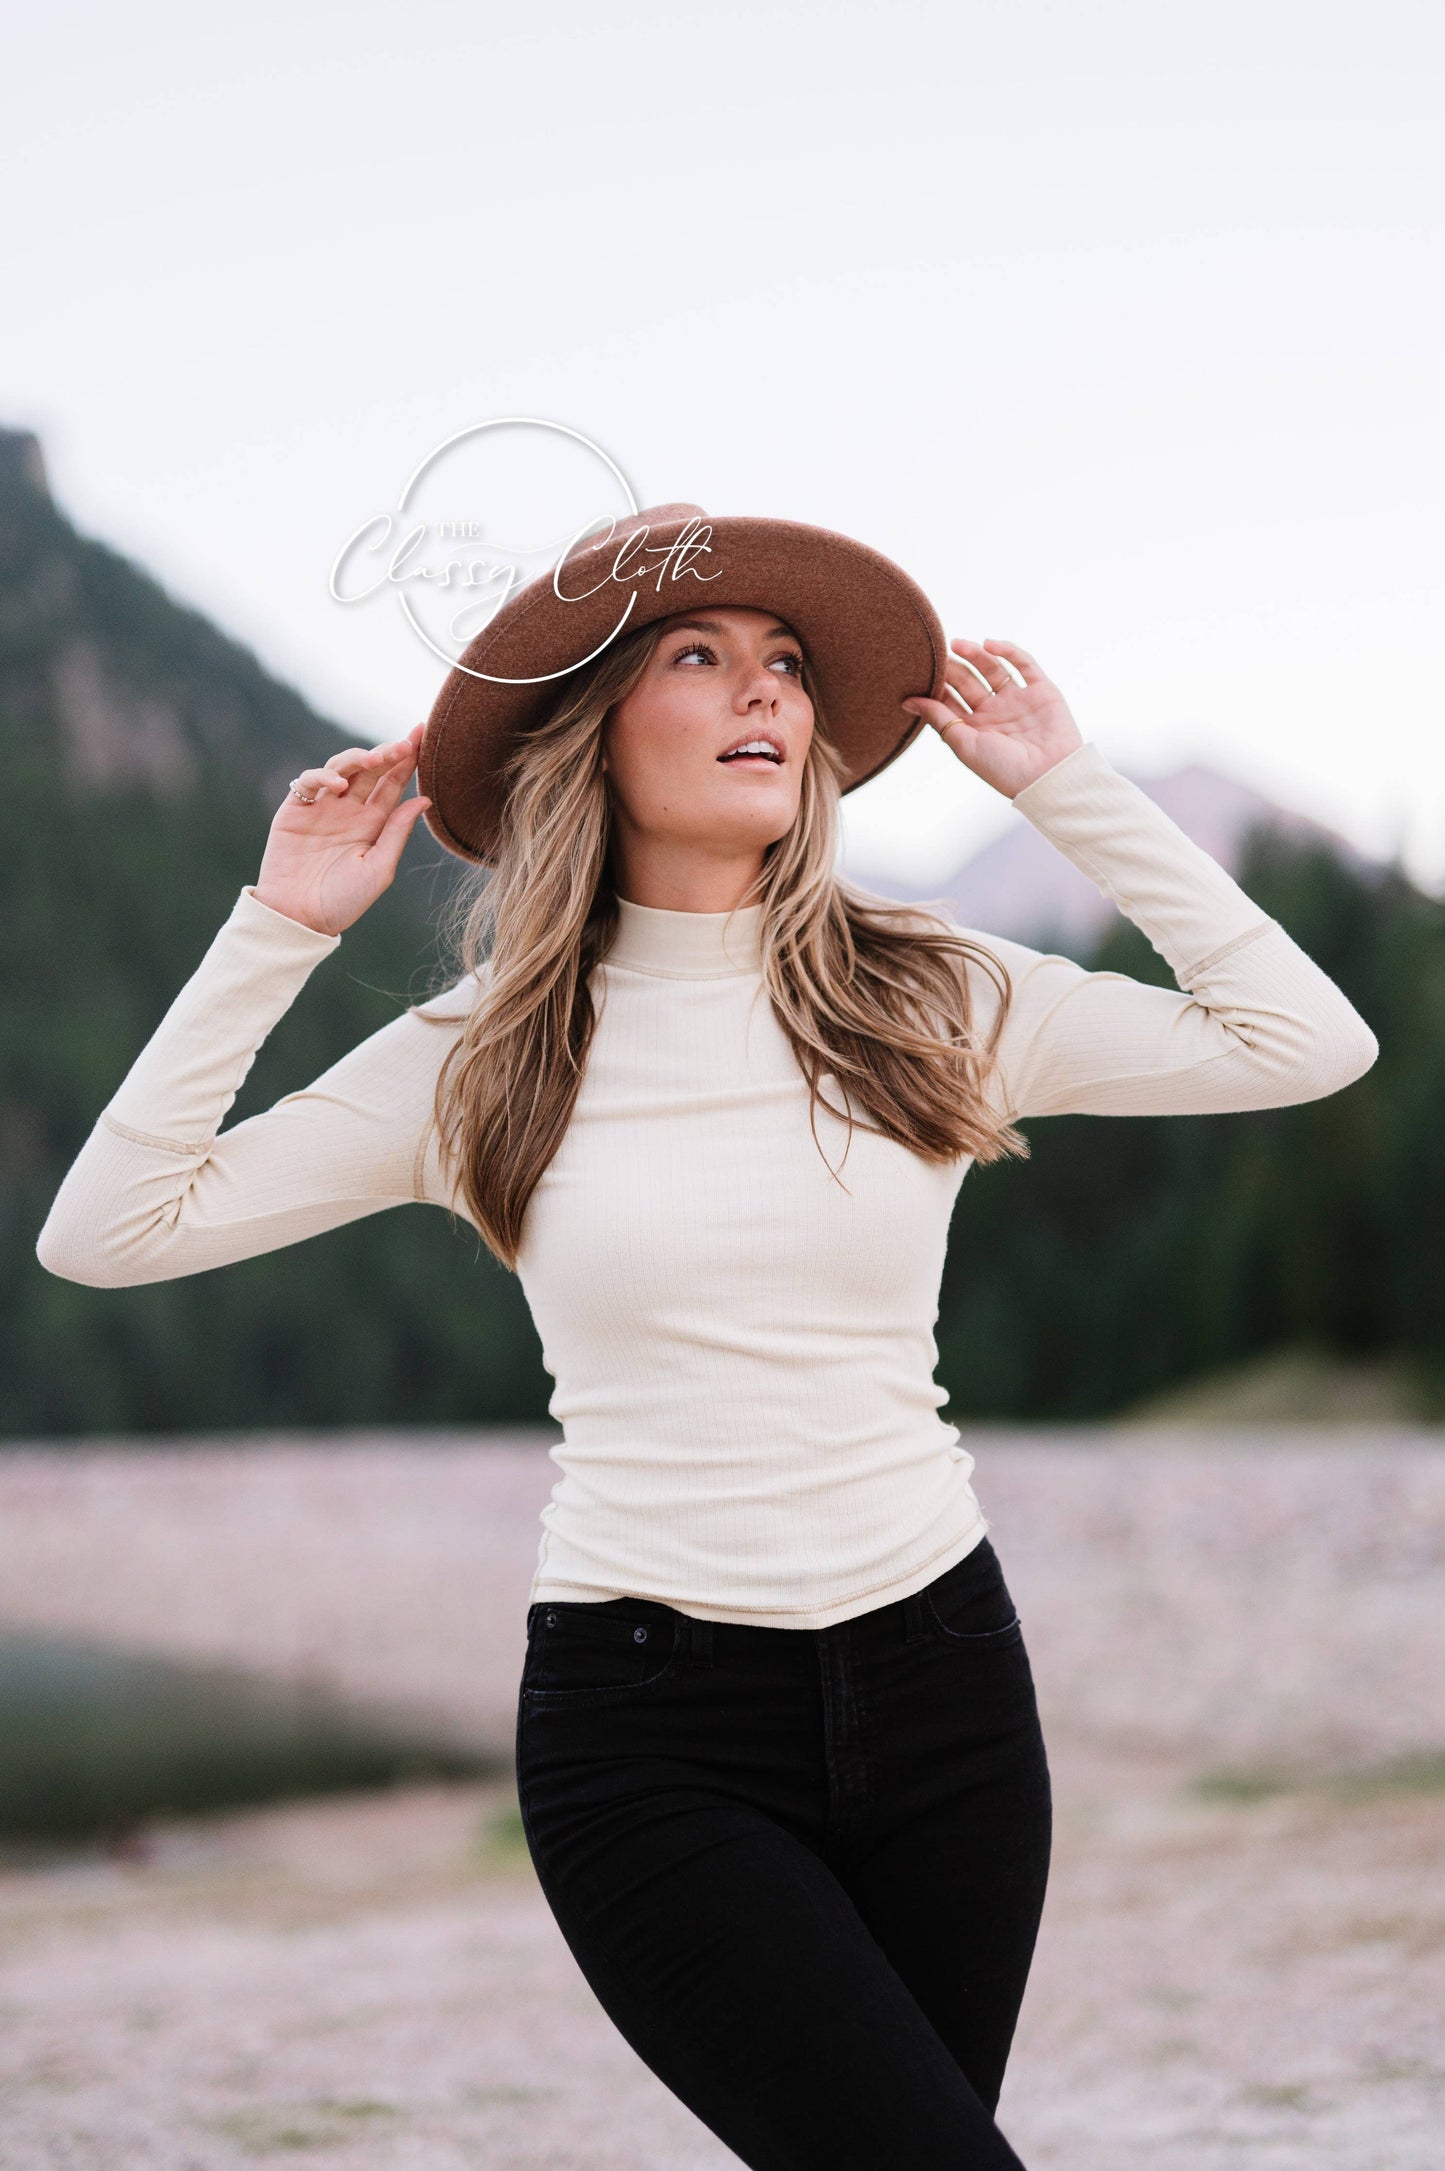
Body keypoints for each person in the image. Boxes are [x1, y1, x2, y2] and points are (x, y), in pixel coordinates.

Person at [35, 503, 1379, 2170]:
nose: (765, 691)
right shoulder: (480, 1059)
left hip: (945, 1683)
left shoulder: (927, 987)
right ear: (587, 732)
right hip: (651, 1733)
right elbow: (107, 1232)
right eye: (699, 655)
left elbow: (1302, 1041)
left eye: (787, 665)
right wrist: (280, 928)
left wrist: (1063, 790)